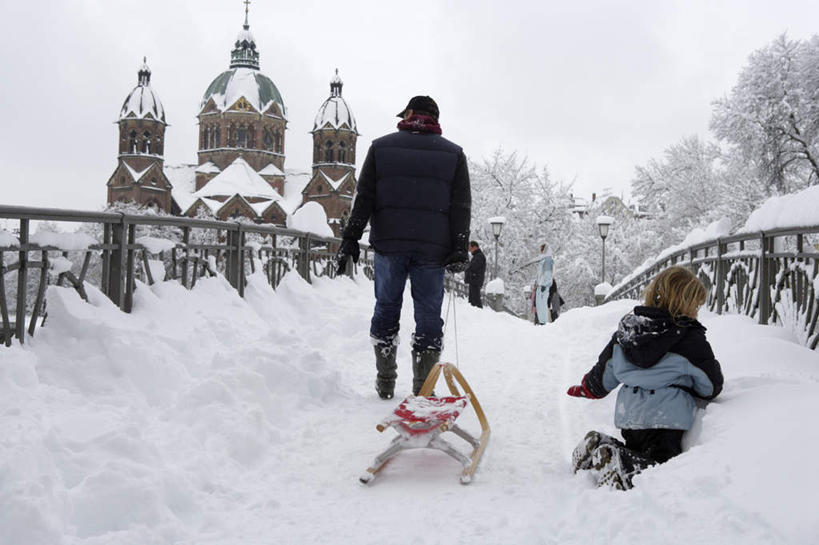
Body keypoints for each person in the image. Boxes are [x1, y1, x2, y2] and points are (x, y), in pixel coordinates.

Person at [335, 95, 471, 400]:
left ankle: (385, 381)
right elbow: (461, 206)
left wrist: (350, 237)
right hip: (432, 251)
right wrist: (460, 247)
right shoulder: (453, 154)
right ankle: (423, 390)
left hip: (389, 244)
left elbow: (364, 197)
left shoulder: (380, 148)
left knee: (386, 308)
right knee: (428, 317)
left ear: (410, 114)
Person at [566, 266, 724, 490]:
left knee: (637, 447)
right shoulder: (690, 338)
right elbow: (710, 385)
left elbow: (604, 373)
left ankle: (600, 445)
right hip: (666, 418)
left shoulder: (628, 332)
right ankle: (618, 461)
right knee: (659, 466)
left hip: (629, 416)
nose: (697, 311)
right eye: (696, 305)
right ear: (686, 303)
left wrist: (586, 388)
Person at [464, 241, 486, 308]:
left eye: (470, 247)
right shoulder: (477, 256)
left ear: (475, 247)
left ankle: (479, 315)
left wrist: (467, 267)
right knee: (473, 300)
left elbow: (473, 267)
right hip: (474, 280)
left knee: (475, 301)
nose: (469, 249)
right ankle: (476, 315)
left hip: (475, 280)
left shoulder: (479, 256)